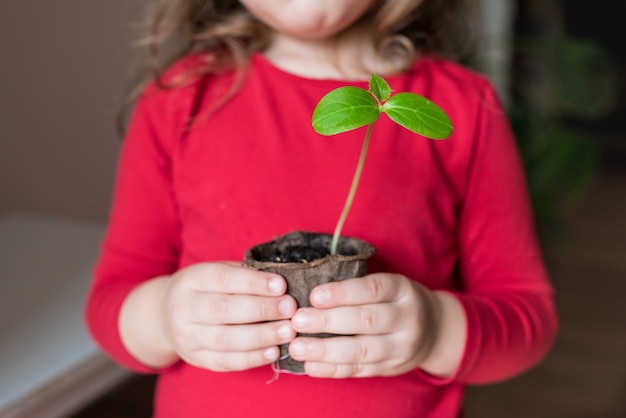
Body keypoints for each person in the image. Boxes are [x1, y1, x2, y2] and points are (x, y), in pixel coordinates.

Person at [85, 0, 558, 416]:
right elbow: (110, 304)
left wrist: (434, 329)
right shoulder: (180, 100)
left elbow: (526, 320)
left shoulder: (466, 109)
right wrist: (164, 317)